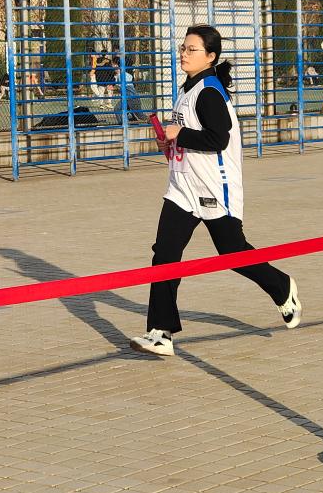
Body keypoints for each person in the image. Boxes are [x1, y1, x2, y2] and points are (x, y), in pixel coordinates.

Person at [129, 24, 301, 357]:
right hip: (182, 188)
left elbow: (217, 139)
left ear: (210, 56)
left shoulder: (209, 91)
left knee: (232, 252)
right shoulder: (188, 88)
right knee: (165, 254)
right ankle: (161, 332)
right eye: (183, 47)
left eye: (191, 49)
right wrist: (171, 141)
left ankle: (281, 286)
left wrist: (180, 134)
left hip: (214, 187)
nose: (184, 53)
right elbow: (189, 134)